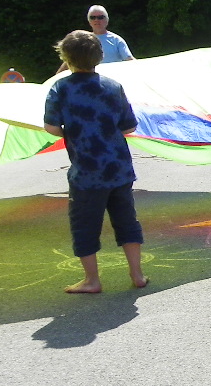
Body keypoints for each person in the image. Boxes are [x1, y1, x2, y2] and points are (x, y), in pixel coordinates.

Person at [43, 30, 148, 294]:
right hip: (119, 168)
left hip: (86, 172)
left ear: (66, 57)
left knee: (84, 225)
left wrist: (73, 130)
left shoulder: (60, 88)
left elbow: (51, 126)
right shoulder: (113, 86)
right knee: (127, 221)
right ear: (100, 56)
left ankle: (92, 280)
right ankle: (137, 274)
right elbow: (129, 126)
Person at [54, 5, 134, 73]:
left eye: (100, 17)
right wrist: (55, 78)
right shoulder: (83, 40)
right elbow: (70, 60)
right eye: (93, 17)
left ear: (107, 20)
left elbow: (130, 61)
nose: (96, 20)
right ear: (89, 21)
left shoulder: (116, 40)